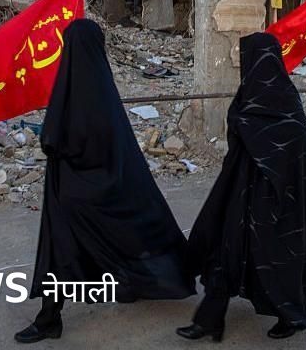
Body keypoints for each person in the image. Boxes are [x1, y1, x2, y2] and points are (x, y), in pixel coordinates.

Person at [15, 19, 195, 344]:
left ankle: (49, 319)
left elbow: (51, 139)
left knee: (59, 252)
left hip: (70, 193)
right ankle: (139, 282)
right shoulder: (105, 92)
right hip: (107, 191)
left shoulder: (69, 91)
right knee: (123, 236)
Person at [177, 33, 306, 342]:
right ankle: (209, 320)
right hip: (239, 190)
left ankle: (290, 316)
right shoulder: (248, 96)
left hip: (276, 201)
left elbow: (290, 150)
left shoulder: (285, 103)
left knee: (274, 260)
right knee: (223, 250)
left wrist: (249, 130)